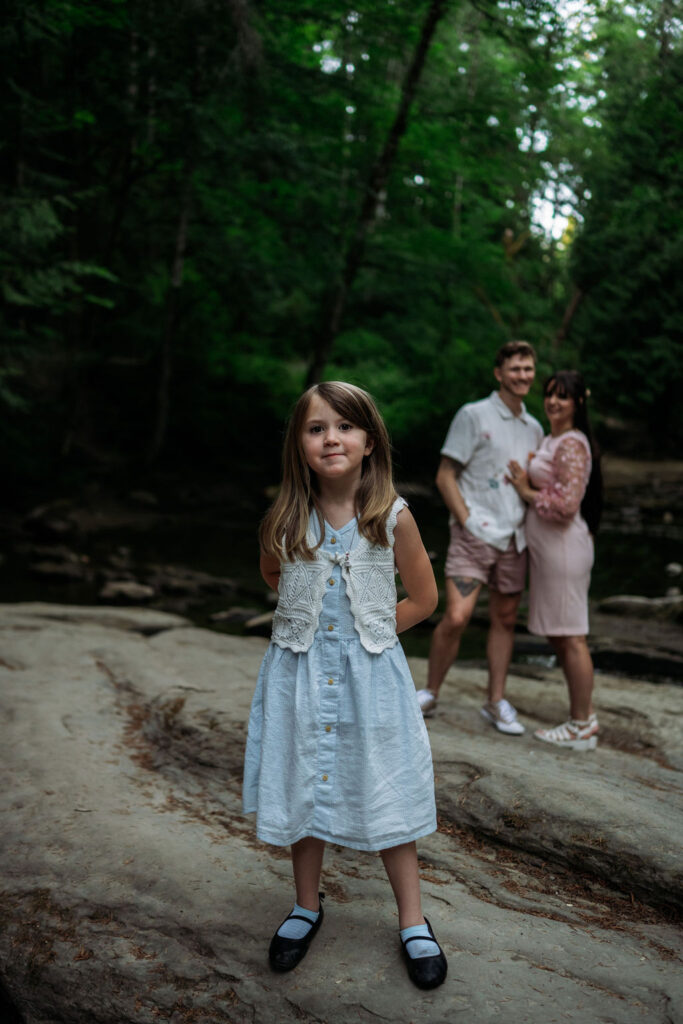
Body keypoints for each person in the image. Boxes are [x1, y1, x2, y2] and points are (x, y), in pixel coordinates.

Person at [243, 381, 447, 990]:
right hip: (300, 677)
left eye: (344, 426)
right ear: (299, 444)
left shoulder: (392, 518)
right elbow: (274, 574)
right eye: (316, 428)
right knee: (303, 781)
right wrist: (309, 616)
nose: (331, 438)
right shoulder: (286, 519)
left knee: (386, 786)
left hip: (371, 679)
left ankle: (412, 919)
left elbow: (425, 598)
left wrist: (371, 629)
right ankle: (306, 906)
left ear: (369, 442)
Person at [417, 341, 544, 734]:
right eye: (515, 368)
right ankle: (430, 693)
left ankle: (495, 701)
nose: (522, 375)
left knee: (504, 620)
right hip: (474, 534)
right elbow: (445, 475)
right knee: (457, 616)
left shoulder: (535, 428)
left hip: (515, 539)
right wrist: (467, 520)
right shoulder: (473, 415)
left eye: (528, 368)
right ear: (498, 373)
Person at [507, 370, 602, 751]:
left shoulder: (573, 443)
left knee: (572, 637)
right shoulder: (552, 439)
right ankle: (585, 715)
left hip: (565, 550)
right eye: (549, 394)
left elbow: (566, 505)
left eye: (562, 396)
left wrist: (525, 490)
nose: (553, 402)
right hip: (549, 553)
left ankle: (581, 725)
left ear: (578, 402)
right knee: (560, 635)